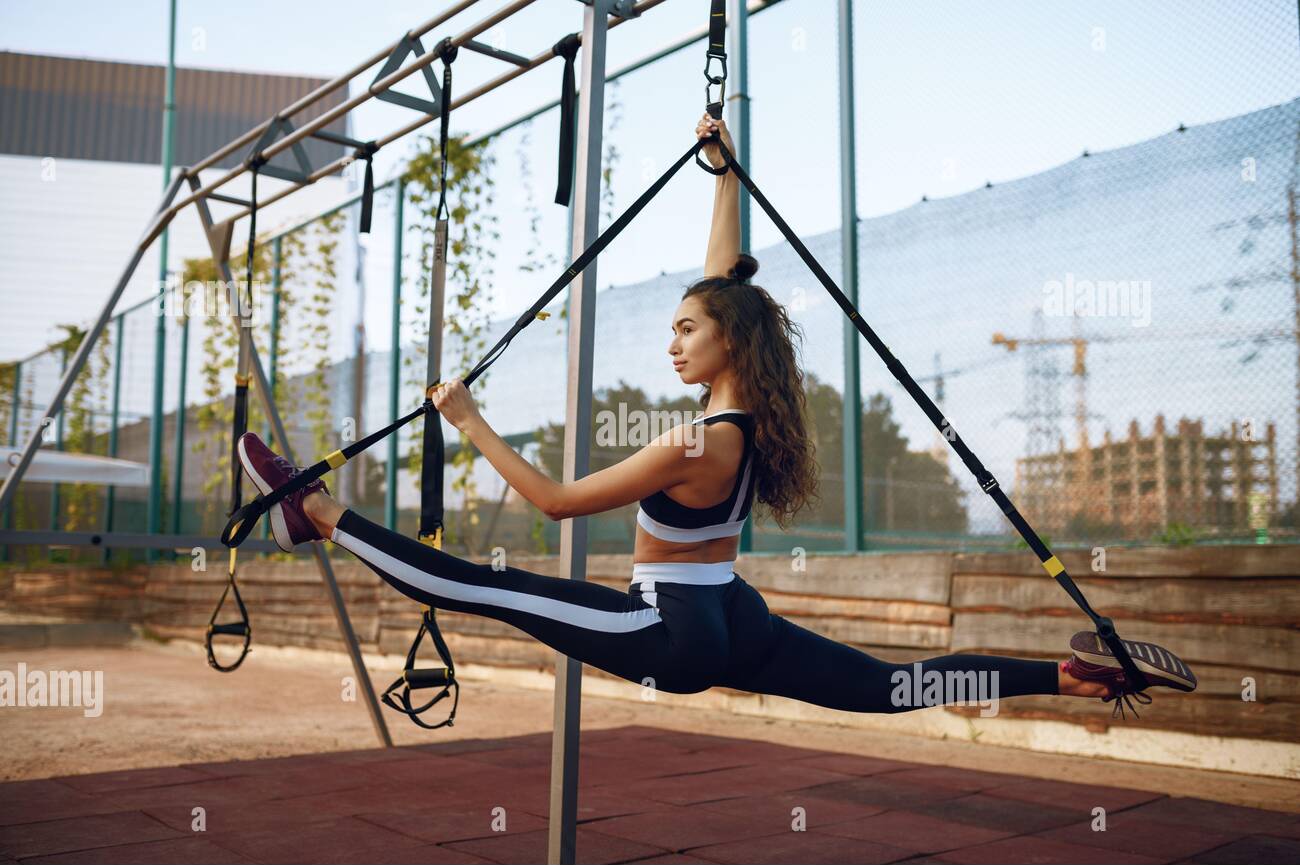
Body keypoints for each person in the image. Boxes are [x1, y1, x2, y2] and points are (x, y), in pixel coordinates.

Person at [234, 113, 1197, 720]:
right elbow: (726, 275)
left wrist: (471, 419)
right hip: (730, 617)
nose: (673, 342)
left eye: (686, 330)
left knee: (483, 589)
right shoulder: (744, 430)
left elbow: (560, 503)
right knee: (886, 687)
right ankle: (1058, 679)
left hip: (674, 635)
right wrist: (725, 172)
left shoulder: (690, 444)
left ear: (726, 343)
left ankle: (316, 514)